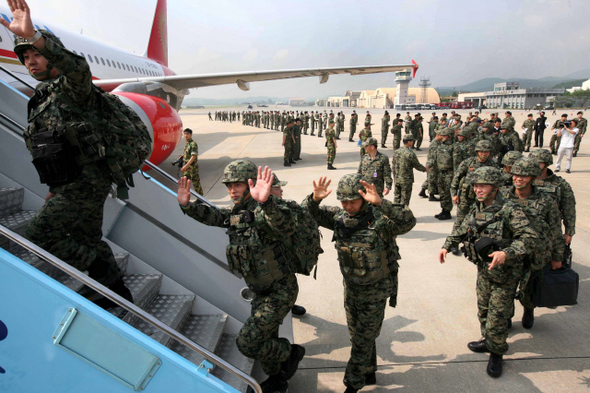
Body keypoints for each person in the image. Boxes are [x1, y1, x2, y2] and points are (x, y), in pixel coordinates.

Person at [6, 1, 133, 307]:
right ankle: (115, 293)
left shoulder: (73, 88)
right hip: (70, 183)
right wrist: (54, 190)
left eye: (37, 54)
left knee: (40, 235)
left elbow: (79, 69)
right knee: (89, 239)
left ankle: (104, 277)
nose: (31, 61)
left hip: (86, 182)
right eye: (26, 57)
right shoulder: (43, 97)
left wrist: (35, 36)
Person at [178, 161, 305, 393]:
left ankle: (291, 353)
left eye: (237, 185)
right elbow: (216, 216)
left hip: (280, 291)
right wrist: (188, 206)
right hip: (260, 292)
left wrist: (265, 201)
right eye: (229, 186)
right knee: (265, 341)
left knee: (248, 342)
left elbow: (284, 224)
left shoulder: (268, 211)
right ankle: (278, 381)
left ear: (250, 184)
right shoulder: (240, 214)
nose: (232, 190)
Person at [303, 174, 416, 393]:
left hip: (375, 291)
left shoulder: (381, 220)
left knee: (363, 341)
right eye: (343, 201)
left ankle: (353, 384)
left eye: (353, 201)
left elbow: (408, 221)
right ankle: (368, 369)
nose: (348, 206)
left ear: (364, 198)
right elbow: (306, 214)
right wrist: (314, 199)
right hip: (352, 289)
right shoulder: (340, 217)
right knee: (357, 336)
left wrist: (382, 203)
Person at [439, 167, 537, 378]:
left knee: (497, 316)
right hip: (484, 270)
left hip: (506, 273)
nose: (478, 189)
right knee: (483, 309)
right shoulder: (477, 207)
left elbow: (529, 238)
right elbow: (462, 227)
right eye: (476, 185)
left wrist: (507, 252)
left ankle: (497, 353)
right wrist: (448, 245)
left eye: (483, 185)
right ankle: (487, 340)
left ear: (495, 187)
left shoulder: (510, 209)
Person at [500, 157, 563, 329]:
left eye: (524, 176)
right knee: (505, 290)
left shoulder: (546, 201)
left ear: (534, 177)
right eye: (516, 175)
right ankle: (506, 317)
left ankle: (529, 309)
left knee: (530, 289)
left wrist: (557, 256)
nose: (518, 179)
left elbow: (556, 230)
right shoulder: (502, 196)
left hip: (536, 254)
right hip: (509, 253)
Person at [269, 174, 307, 317]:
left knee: (289, 286)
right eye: (278, 188)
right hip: (269, 262)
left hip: (283, 257)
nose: (281, 191)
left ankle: (290, 304)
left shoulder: (281, 206)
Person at [529, 149, 576, 247]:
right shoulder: (523, 181)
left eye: (538, 163)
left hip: (550, 231)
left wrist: (569, 232)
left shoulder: (560, 185)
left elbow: (569, 209)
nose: (534, 166)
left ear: (546, 164)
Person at [427, 127, 455, 220]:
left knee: (446, 192)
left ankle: (447, 212)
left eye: (444, 135)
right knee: (442, 193)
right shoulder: (440, 146)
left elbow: (456, 163)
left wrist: (455, 176)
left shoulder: (454, 147)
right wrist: (427, 166)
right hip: (440, 172)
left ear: (450, 136)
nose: (442, 137)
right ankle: (443, 210)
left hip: (449, 173)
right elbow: (434, 158)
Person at [392, 135, 427, 205]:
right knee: (404, 200)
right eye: (412, 141)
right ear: (409, 142)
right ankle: (403, 215)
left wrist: (394, 177)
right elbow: (417, 165)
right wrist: (425, 169)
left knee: (397, 199)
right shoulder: (410, 153)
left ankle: (395, 214)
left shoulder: (397, 152)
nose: (413, 142)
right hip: (406, 180)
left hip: (398, 179)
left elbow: (393, 166)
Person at [179, 128, 204, 194]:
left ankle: (200, 197)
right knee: (184, 182)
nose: (186, 135)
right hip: (188, 168)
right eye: (184, 134)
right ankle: (185, 196)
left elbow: (193, 156)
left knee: (196, 183)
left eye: (187, 134)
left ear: (191, 135)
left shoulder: (193, 144)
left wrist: (185, 166)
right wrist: (183, 156)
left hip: (192, 167)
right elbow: (189, 154)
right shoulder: (187, 144)